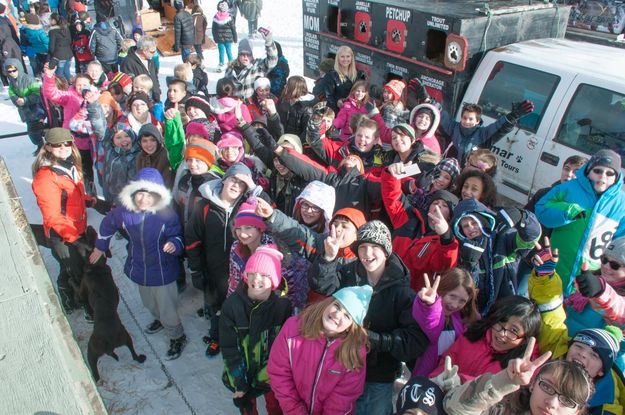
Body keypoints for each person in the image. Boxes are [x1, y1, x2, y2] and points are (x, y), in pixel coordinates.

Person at [309, 220, 428, 415]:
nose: (367, 253)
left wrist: (376, 340)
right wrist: (328, 258)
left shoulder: (402, 293)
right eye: (362, 247)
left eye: (374, 247)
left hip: (377, 377)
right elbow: (322, 285)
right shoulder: (349, 273)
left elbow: (414, 341)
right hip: (341, 366)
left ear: (386, 251)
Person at [89, 168, 187, 360]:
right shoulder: (124, 212)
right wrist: (101, 246)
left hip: (162, 271)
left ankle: (177, 335)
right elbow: (107, 225)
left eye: (149, 194)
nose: (143, 199)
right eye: (140, 193)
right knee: (149, 302)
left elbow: (178, 236)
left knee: (167, 307)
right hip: (139, 268)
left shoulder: (166, 215)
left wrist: (174, 244)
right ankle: (160, 319)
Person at [528, 239, 625, 413]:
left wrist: (602, 293)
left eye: (615, 265)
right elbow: (554, 315)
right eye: (604, 259)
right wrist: (546, 278)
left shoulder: (607, 394)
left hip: (596, 372)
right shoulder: (587, 282)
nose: (607, 267)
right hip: (564, 350)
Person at [185, 163, 263, 357]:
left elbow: (269, 210)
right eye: (233, 179)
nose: (236, 185)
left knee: (238, 308)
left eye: (242, 183)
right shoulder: (204, 205)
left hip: (240, 273)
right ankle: (216, 337)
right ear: (224, 180)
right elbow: (192, 239)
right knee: (215, 307)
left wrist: (253, 188)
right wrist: (196, 270)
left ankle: (235, 338)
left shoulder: (248, 206)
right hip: (213, 271)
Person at [267, 285, 372, 414]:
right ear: (328, 303)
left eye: (347, 316)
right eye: (337, 306)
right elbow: (279, 373)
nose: (337, 315)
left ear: (350, 327)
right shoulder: (293, 328)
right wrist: (295, 411)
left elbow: (343, 397)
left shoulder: (354, 352)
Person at [535, 150, 625, 296]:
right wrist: (567, 211)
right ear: (589, 171)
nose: (603, 177)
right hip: (557, 265)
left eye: (610, 174)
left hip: (590, 277)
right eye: (598, 171)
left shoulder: (621, 203)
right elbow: (542, 208)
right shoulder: (569, 188)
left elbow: (621, 242)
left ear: (616, 177)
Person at [31, 128, 99, 315]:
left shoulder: (70, 165)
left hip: (76, 228)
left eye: (67, 143)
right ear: (47, 147)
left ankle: (72, 297)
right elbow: (52, 215)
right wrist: (74, 240)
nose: (63, 148)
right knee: (75, 272)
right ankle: (81, 304)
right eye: (57, 145)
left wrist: (90, 201)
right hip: (62, 235)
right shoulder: (46, 177)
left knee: (72, 267)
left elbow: (71, 196)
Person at [220, 245, 292, 415]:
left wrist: (274, 374)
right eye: (251, 273)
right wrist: (239, 383)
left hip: (270, 373)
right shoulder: (232, 306)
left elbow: (284, 346)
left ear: (274, 279)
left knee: (275, 406)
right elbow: (229, 348)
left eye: (264, 275)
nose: (256, 279)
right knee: (246, 406)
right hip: (242, 370)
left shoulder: (282, 306)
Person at [443, 346, 594, 415]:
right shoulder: (504, 408)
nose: (552, 403)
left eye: (567, 401)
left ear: (578, 411)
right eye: (547, 387)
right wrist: (504, 381)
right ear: (533, 384)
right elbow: (453, 407)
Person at [452, 199, 541, 314]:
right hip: (474, 314)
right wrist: (470, 264)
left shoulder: (503, 239)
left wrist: (522, 217)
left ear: (483, 219)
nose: (470, 228)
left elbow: (531, 238)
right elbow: (466, 288)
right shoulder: (462, 249)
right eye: (465, 226)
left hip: (504, 311)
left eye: (474, 222)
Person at [430, 295, 541, 383]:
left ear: (525, 339)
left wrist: (460, 381)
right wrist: (437, 379)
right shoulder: (473, 334)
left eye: (513, 331)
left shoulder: (522, 369)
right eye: (501, 322)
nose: (502, 334)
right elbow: (448, 359)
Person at [382, 166, 460, 291]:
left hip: (408, 294)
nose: (438, 207)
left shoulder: (446, 241)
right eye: (435, 203)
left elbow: (444, 265)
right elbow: (392, 197)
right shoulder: (409, 216)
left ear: (450, 215)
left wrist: (445, 235)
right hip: (382, 277)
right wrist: (390, 175)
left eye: (444, 206)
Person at [412, 269, 479, 376]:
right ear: (442, 290)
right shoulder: (433, 310)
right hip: (423, 376)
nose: (454, 304)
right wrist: (430, 305)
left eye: (462, 301)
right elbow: (432, 324)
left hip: (445, 375)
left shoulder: (459, 318)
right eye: (452, 296)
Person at [224, 30, 278, 99]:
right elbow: (225, 88)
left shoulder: (258, 66)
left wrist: (269, 42)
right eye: (242, 54)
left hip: (253, 106)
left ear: (252, 55)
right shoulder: (230, 69)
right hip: (236, 105)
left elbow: (273, 60)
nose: (245, 57)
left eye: (248, 54)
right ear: (238, 55)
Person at [4, 59, 44, 152]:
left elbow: (37, 93)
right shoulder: (12, 81)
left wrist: (25, 100)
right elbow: (11, 92)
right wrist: (16, 99)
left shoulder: (28, 79)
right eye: (9, 71)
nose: (12, 73)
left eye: (14, 70)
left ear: (19, 68)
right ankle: (40, 145)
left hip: (34, 110)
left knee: (34, 130)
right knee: (32, 130)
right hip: (25, 111)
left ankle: (42, 145)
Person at [322, 45, 366, 113]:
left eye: (348, 56)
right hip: (337, 111)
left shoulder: (358, 74)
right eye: (342, 56)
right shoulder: (331, 75)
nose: (345, 59)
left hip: (353, 111)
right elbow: (328, 96)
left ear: (351, 58)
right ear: (338, 58)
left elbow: (362, 93)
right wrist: (337, 102)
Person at [121, 35, 161, 103]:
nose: (154, 54)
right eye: (152, 51)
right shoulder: (128, 62)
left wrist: (158, 90)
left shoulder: (151, 60)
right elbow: (128, 85)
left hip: (154, 98)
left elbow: (155, 76)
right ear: (144, 50)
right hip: (140, 101)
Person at [212, 0, 237, 73]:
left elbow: (213, 29)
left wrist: (215, 38)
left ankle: (221, 64)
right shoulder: (229, 17)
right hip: (228, 39)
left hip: (219, 39)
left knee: (221, 52)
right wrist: (235, 39)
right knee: (229, 51)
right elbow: (233, 29)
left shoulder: (215, 17)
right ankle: (231, 64)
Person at [48, 13, 73, 80]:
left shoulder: (52, 31)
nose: (49, 21)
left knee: (59, 74)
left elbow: (51, 46)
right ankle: (70, 85)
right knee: (67, 72)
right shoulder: (66, 29)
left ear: (54, 20)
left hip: (59, 55)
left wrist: (53, 55)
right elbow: (70, 41)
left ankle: (62, 87)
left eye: (50, 19)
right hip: (68, 53)